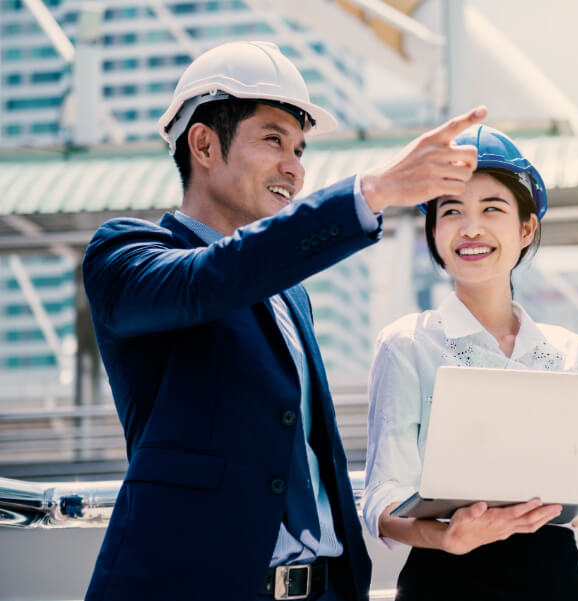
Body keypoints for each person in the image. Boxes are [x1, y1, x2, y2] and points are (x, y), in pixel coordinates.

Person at [81, 40, 486, 601]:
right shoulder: (126, 256)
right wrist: (374, 192)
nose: (294, 168)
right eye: (273, 140)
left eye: (300, 149)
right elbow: (210, 280)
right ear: (202, 143)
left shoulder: (290, 291)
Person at [362, 125, 578, 600]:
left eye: (492, 209)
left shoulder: (570, 354)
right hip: (446, 581)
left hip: (554, 581)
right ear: (434, 232)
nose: (471, 228)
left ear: (526, 228)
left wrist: (553, 494)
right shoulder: (407, 344)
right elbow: (382, 499)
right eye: (451, 211)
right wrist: (447, 536)